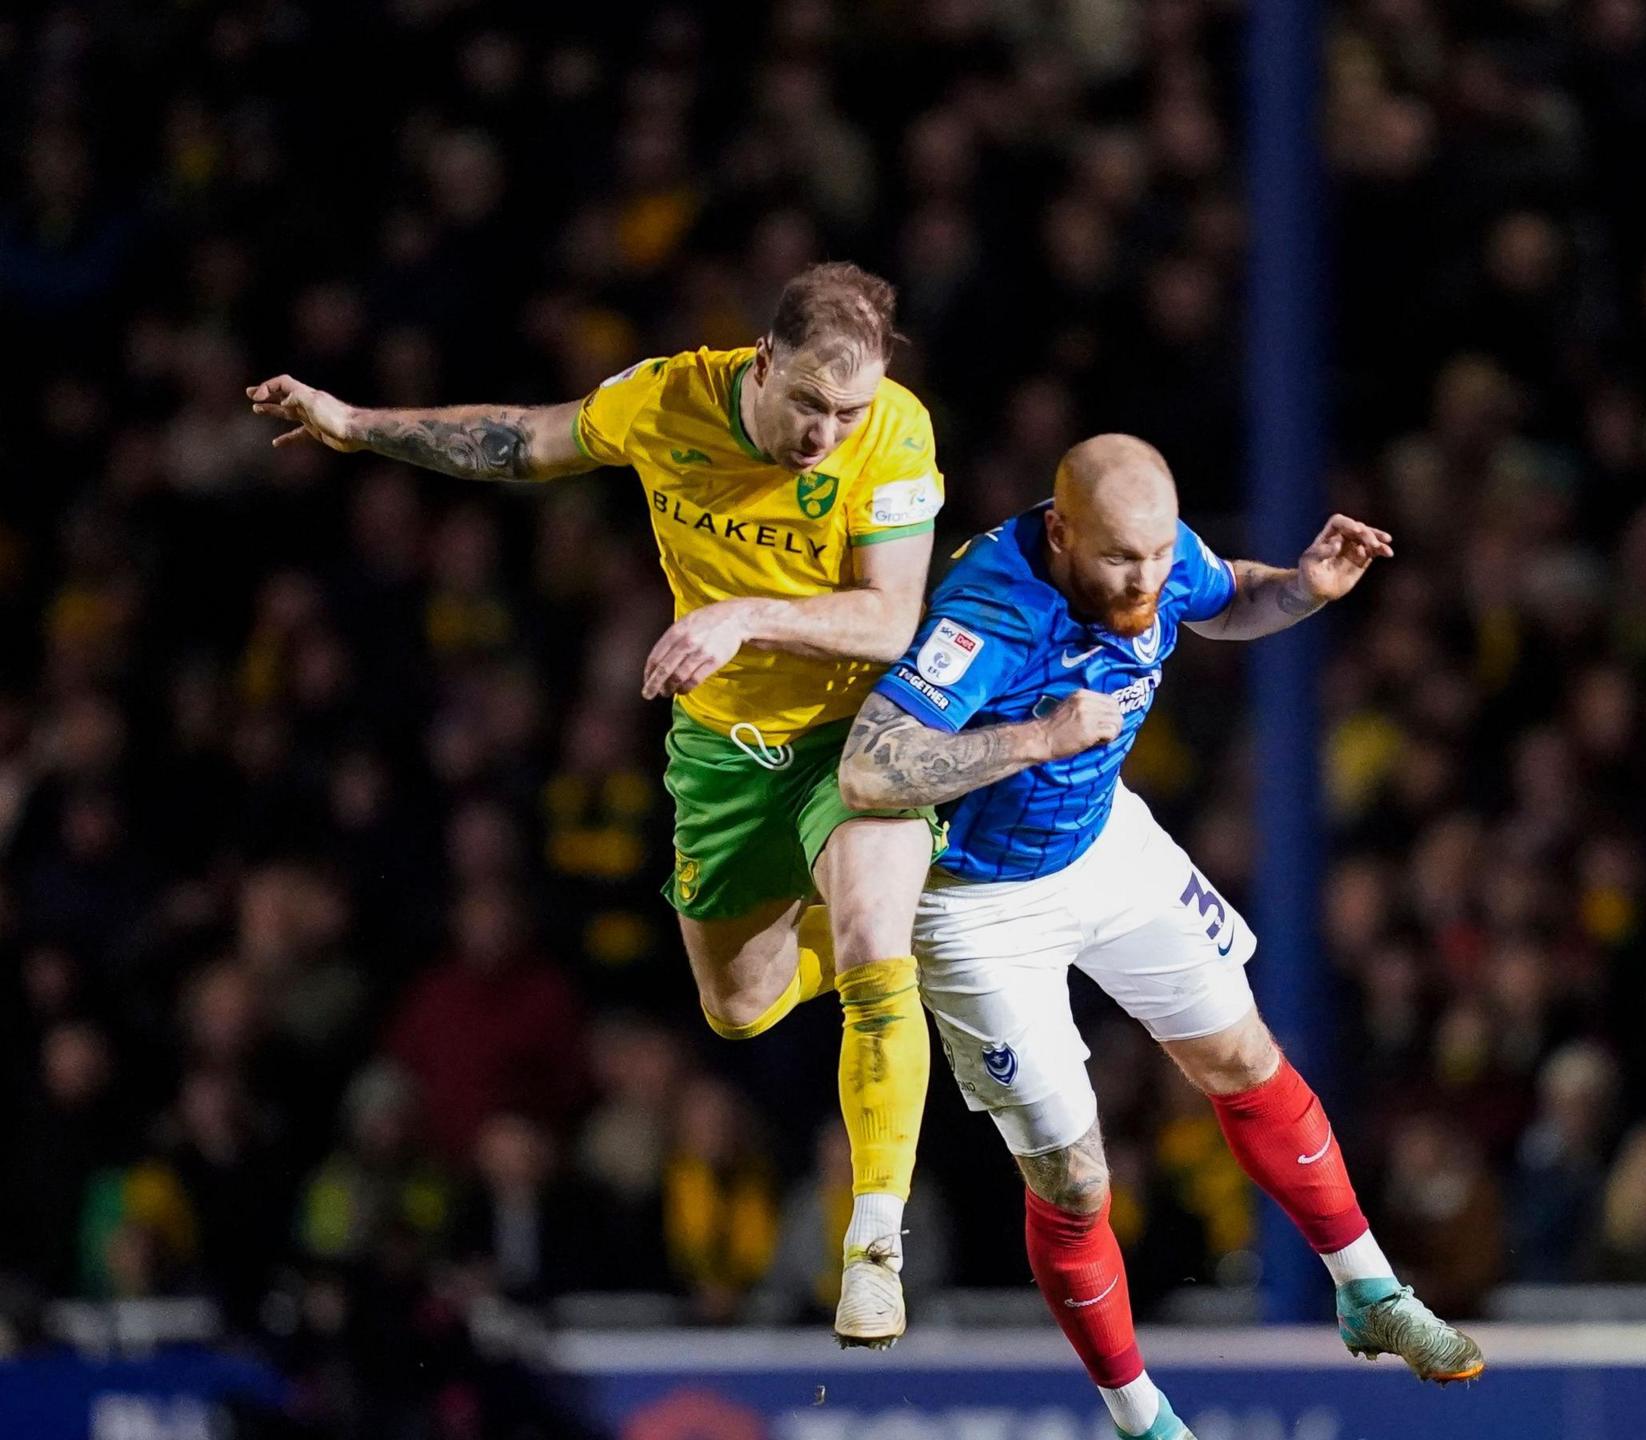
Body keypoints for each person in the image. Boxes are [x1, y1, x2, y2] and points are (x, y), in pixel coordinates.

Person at [245, 261, 941, 1347]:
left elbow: (893, 618)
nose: (826, 432)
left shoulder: (893, 435)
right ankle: (880, 934)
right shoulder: (669, 402)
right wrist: (356, 424)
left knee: (870, 944)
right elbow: (523, 440)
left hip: (856, 738)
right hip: (724, 752)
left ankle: (874, 1242)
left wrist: (744, 616)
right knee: (739, 1007)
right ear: (764, 360)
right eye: (809, 402)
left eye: (846, 410)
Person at [838, 434, 1482, 1440]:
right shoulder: (986, 618)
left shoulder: (1158, 550)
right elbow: (869, 771)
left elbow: (1223, 599)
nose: (1144, 579)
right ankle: (1141, 1420)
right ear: (1060, 533)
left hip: (1103, 844)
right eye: (1118, 562)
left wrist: (1303, 587)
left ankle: (1369, 1294)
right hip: (974, 905)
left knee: (1242, 1054)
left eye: (1153, 555)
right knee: (1076, 1175)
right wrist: (1042, 737)